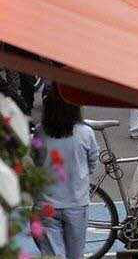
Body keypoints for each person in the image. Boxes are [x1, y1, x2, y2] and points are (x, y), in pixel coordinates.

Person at [34, 86, 98, 259]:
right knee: (75, 254)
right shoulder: (85, 133)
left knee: (53, 254)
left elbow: (36, 160)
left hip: (47, 202)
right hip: (76, 201)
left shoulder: (41, 131)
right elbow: (92, 161)